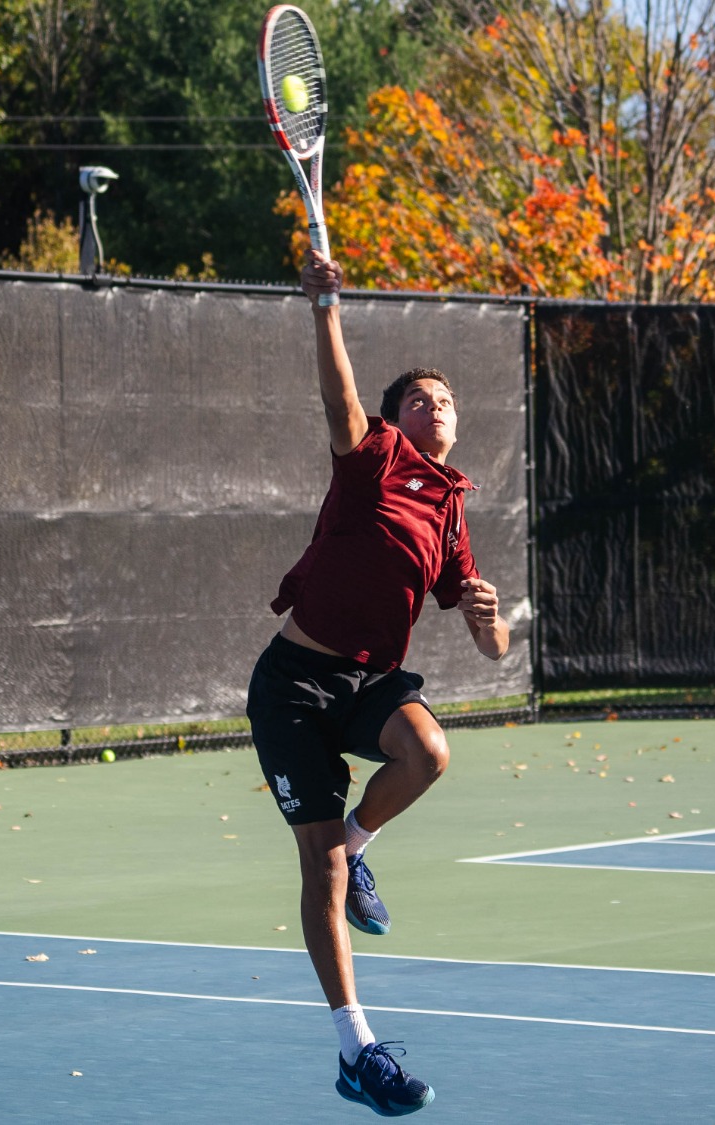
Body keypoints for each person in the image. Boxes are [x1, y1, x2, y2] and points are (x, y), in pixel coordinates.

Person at [246, 252, 510, 1116]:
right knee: (315, 869)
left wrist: (488, 617)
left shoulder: (449, 511)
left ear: (457, 426)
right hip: (293, 687)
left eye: (445, 401)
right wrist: (326, 309)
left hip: (367, 681)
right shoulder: (376, 458)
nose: (433, 407)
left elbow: (496, 646)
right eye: (417, 399)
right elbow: (338, 402)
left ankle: (361, 845)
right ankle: (358, 1051)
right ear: (396, 419)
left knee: (429, 751)